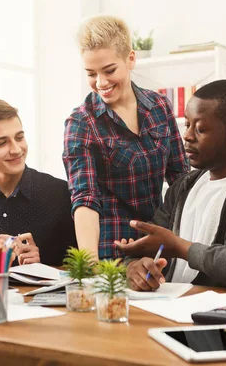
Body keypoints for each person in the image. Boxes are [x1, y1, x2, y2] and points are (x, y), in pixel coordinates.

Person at [116, 80, 226, 293]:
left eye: (200, 129)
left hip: (224, 320)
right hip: (171, 311)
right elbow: (143, 251)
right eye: (187, 124)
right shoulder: (184, 186)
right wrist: (134, 267)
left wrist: (181, 248)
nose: (187, 136)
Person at [63, 15, 189, 260]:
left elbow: (181, 180)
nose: (101, 82)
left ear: (131, 59)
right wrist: (91, 269)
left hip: (159, 245)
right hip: (112, 254)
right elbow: (85, 199)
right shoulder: (81, 123)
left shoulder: (160, 106)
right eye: (91, 73)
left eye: (109, 70)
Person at [0, 99, 77, 266]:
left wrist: (41, 264)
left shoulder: (61, 193)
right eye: (2, 143)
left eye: (19, 137)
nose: (16, 149)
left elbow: (78, 269)